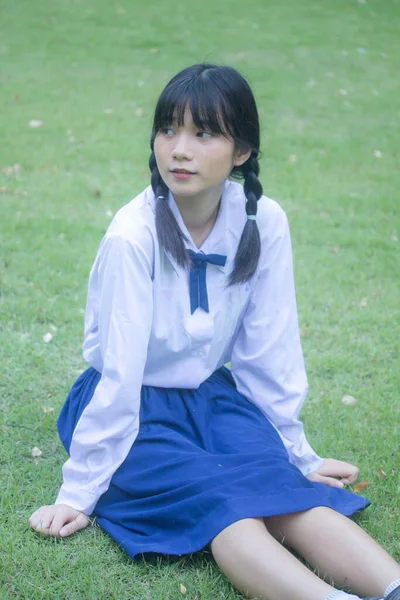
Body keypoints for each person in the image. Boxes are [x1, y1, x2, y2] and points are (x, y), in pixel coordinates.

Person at [29, 63, 400, 600]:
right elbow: (120, 373)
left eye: (203, 133)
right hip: (133, 405)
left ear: (242, 151)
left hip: (212, 399)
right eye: (168, 130)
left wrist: (297, 454)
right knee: (223, 506)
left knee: (285, 493)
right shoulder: (132, 236)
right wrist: (79, 489)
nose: (179, 149)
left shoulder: (263, 222)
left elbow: (268, 351)